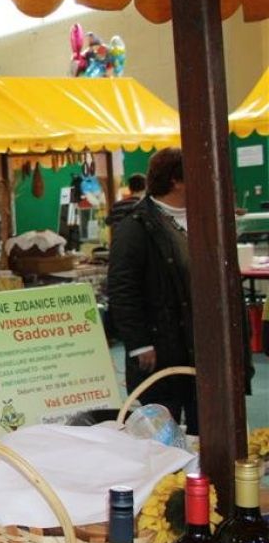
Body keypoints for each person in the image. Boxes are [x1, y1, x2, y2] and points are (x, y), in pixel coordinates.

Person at [107, 149, 199, 431]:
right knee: (162, 434)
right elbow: (122, 289)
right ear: (176, 181)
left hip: (198, 345)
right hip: (160, 347)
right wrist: (140, 344)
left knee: (207, 427)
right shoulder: (134, 227)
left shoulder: (203, 218)